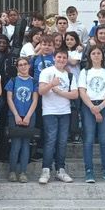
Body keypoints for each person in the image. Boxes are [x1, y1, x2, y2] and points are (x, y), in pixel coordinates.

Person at [38, 49, 78, 184]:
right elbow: (41, 91)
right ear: (54, 58)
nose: (61, 59)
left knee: (62, 141)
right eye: (59, 57)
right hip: (50, 111)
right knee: (50, 140)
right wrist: (51, 84)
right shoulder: (46, 72)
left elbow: (75, 94)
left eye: (64, 57)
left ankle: (60, 169)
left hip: (65, 112)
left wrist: (59, 92)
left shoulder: (70, 75)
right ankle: (46, 170)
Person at [79, 46, 105, 183]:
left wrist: (100, 107)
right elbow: (82, 91)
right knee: (89, 139)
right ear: (89, 56)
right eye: (93, 53)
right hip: (88, 106)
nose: (96, 55)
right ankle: (89, 171)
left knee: (104, 139)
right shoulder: (85, 72)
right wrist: (92, 107)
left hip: (104, 105)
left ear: (102, 56)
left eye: (98, 53)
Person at [5, 57, 38, 183]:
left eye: (25, 64)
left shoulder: (34, 82)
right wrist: (16, 115)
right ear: (17, 67)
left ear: (29, 66)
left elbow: (35, 100)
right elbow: (9, 99)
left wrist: (28, 116)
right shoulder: (13, 81)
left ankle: (23, 172)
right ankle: (12, 171)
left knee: (26, 145)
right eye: (20, 65)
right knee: (16, 144)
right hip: (14, 116)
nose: (23, 66)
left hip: (29, 116)